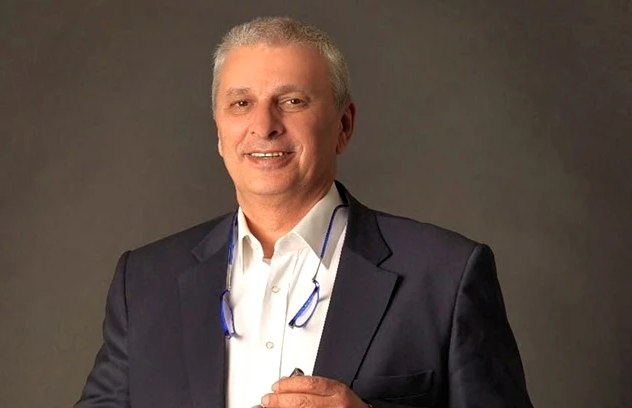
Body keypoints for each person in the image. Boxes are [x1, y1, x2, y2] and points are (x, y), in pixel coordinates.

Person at [74, 16, 534, 408]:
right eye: (241, 103)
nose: (264, 126)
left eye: (292, 101)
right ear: (218, 132)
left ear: (344, 126)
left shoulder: (445, 276)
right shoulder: (145, 282)